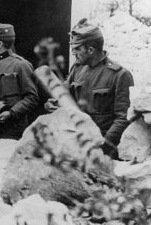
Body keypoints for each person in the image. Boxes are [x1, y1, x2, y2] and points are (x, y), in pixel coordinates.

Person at [56, 18, 134, 159]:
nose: (73, 53)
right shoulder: (77, 69)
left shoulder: (120, 75)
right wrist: (54, 103)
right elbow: (65, 95)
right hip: (77, 144)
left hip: (103, 152)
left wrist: (103, 145)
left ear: (91, 50)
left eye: (77, 49)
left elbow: (123, 118)